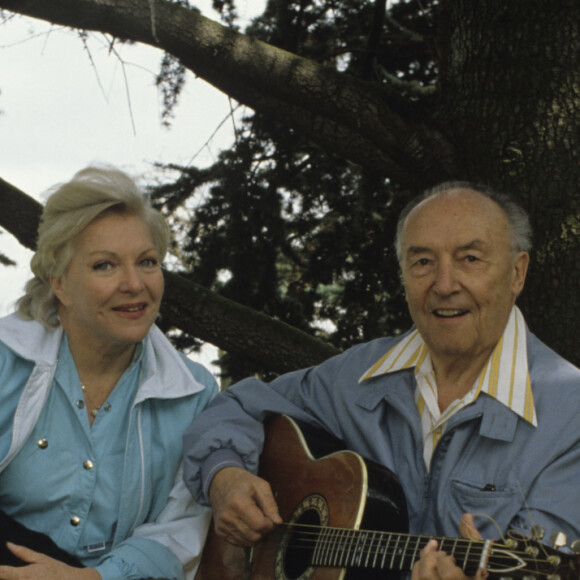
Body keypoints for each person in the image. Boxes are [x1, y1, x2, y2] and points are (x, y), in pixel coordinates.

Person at [182, 182, 580, 579]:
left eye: (470, 258)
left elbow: (552, 562)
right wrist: (224, 476)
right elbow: (237, 406)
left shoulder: (570, 415)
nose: (444, 285)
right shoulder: (358, 375)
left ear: (517, 272)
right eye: (422, 262)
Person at [0, 166, 219, 580]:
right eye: (105, 266)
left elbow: (181, 528)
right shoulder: (5, 360)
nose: (134, 284)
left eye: (147, 262)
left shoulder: (195, 393)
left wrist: (97, 579)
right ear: (60, 283)